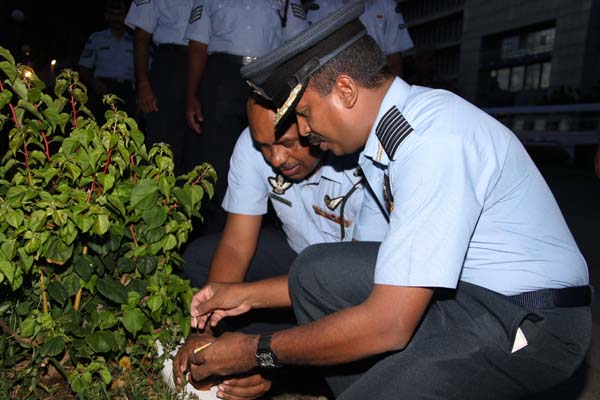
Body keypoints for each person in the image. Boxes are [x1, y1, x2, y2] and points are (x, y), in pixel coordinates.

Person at [177, 2, 592, 399]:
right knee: (317, 271)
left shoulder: (432, 141)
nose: (303, 131)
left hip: (528, 320)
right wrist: (245, 295)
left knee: (351, 308)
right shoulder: (388, 143)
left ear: (345, 91)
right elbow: (373, 280)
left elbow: (389, 322)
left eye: (304, 113)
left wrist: (257, 352)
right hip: (467, 300)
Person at [174, 94, 385, 399]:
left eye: (288, 143)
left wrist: (263, 359)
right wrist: (203, 330)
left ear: (312, 122)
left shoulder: (364, 158)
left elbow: (351, 287)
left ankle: (274, 364)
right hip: (298, 260)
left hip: (357, 285)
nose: (276, 159)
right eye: (264, 146)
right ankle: (245, 350)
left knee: (359, 357)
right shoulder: (252, 146)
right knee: (201, 259)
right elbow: (235, 245)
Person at [183, 0, 310, 233]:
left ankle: (270, 229)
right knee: (217, 161)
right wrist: (191, 95)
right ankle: (218, 232)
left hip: (269, 78)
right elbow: (198, 45)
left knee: (275, 152)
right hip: (223, 77)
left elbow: (298, 43)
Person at [124, 0, 201, 176]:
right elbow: (141, 36)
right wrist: (143, 83)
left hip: (209, 64)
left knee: (199, 143)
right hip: (170, 65)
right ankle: (159, 189)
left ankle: (195, 191)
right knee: (163, 142)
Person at [302, 0, 413, 76]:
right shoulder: (320, 7)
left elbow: (394, 62)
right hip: (337, 81)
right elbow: (312, 62)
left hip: (378, 79)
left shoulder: (386, 4)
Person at [78, 0, 135, 120]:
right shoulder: (96, 39)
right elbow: (83, 68)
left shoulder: (134, 42)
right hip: (103, 89)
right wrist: (94, 83)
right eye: (112, 14)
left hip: (128, 91)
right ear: (106, 16)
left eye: (119, 14)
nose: (116, 18)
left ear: (126, 16)